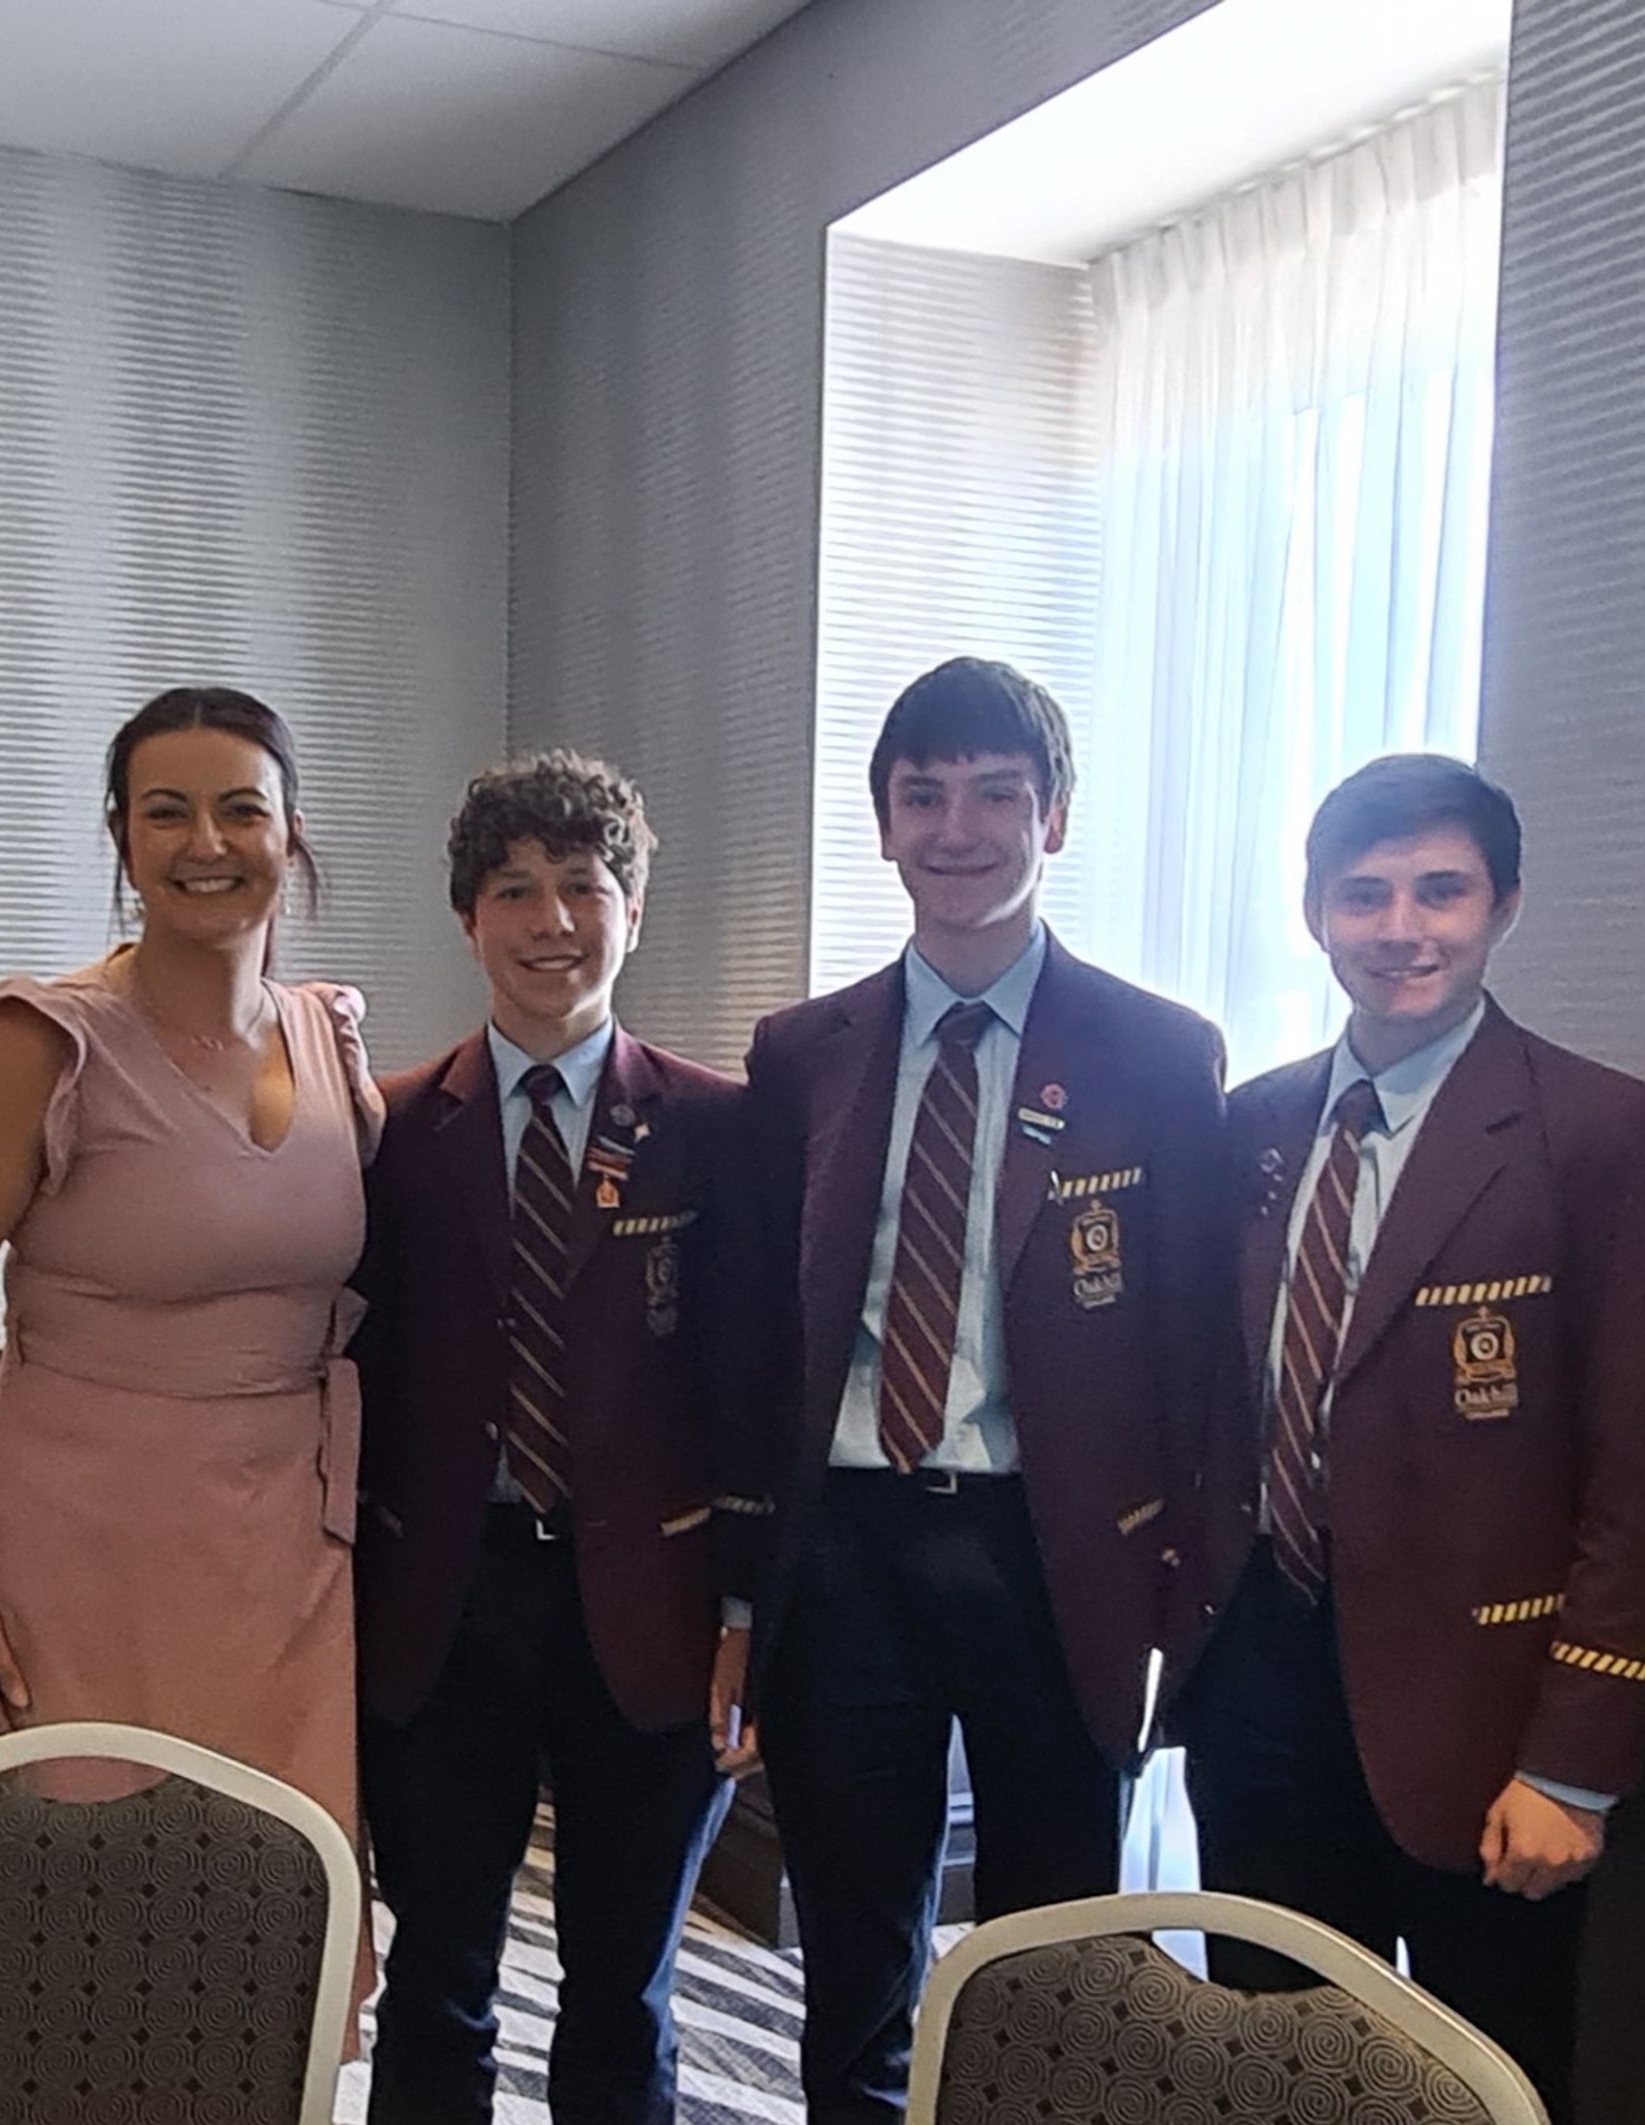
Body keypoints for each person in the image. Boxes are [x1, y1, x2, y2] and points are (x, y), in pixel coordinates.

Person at [731, 657, 1232, 2121]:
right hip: (847, 1550)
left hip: (1053, 1552)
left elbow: (1198, 1350)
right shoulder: (802, 1054)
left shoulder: (1157, 1054)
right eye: (923, 795)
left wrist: (1183, 1595)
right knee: (855, 1946)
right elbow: (760, 1331)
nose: (958, 829)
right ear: (884, 823)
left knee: (1050, 1954)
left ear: (1053, 817)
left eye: (996, 795)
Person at [1184, 753, 1645, 2123]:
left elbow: (1642, 1481)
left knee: (1489, 2086)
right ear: (1314, 912)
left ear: (1504, 905)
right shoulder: (1252, 1128)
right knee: (1278, 2075)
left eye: (1440, 891)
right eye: (1364, 894)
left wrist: (1573, 1764)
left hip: (1489, 1721)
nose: (1400, 928)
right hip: (1261, 1688)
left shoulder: (1602, 1135)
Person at [0, 684, 382, 1866]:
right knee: (78, 1886)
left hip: (284, 1546)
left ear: (290, 832)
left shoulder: (329, 1035)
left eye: (241, 810)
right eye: (166, 812)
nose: (207, 843)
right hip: (73, 1546)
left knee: (265, 1885)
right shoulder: (37, 1045)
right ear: (121, 836)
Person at [350, 753, 748, 2125]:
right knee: (437, 1975)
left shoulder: (718, 1127)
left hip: (650, 1606)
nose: (552, 920)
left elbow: (752, 1381)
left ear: (633, 909)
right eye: (515, 889)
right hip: (444, 1605)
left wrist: (750, 1611)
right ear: (469, 917)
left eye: (583, 885)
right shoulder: (392, 1129)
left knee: (624, 1987)